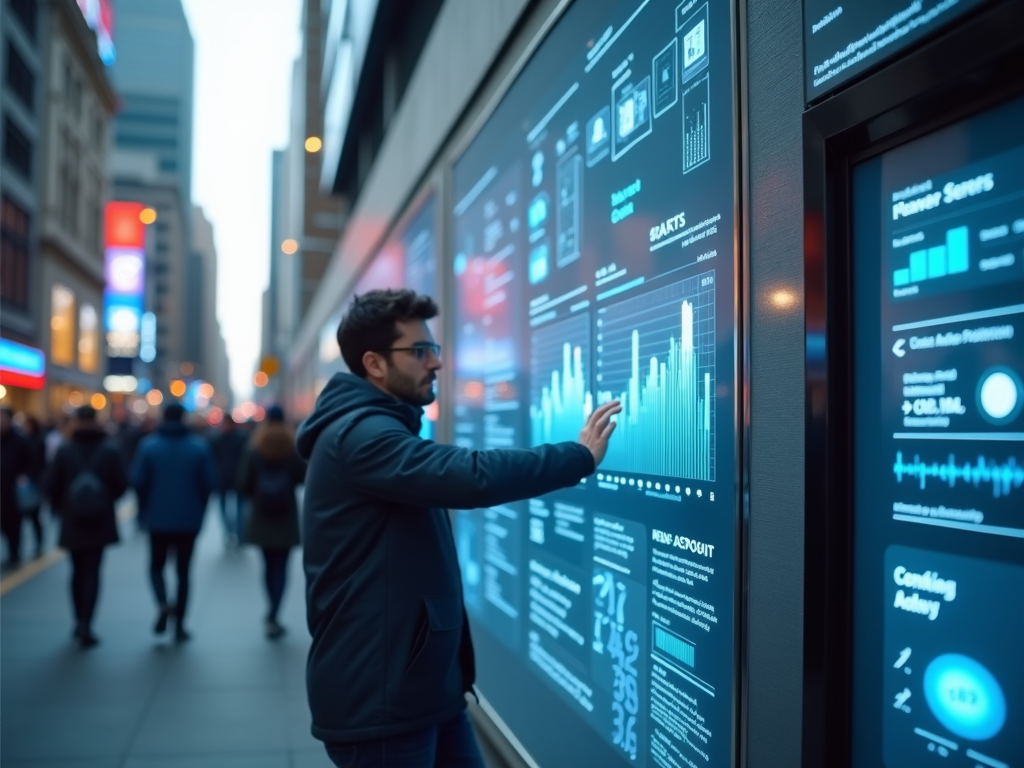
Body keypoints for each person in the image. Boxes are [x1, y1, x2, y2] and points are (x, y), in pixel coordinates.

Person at [296, 289, 621, 768]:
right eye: (420, 351)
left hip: (421, 687)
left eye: (435, 349)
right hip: (380, 701)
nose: (436, 364)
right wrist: (576, 457)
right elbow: (470, 475)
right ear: (375, 364)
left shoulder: (375, 428)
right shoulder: (360, 436)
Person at [132, 402, 217, 642]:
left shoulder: (148, 446)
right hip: (188, 520)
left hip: (157, 519)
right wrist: (199, 512)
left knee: (156, 566)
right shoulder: (198, 447)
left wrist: (143, 513)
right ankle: (180, 624)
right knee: (183, 572)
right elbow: (208, 483)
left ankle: (162, 603)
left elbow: (138, 482)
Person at [45, 405, 128, 647]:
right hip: (100, 519)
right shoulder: (110, 450)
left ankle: (77, 620)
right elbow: (122, 484)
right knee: (93, 570)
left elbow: (50, 485)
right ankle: (87, 623)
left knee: (76, 570)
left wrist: (64, 506)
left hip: (73, 519)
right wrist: (103, 500)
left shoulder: (65, 450)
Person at [237, 404, 306, 638]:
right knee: (282, 566)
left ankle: (270, 611)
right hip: (286, 514)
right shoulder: (292, 445)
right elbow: (303, 477)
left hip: (262, 514)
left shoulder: (255, 446)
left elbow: (244, 483)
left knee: (267, 566)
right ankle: (275, 614)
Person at [209, 413, 249, 547]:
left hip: (237, 478)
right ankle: (230, 532)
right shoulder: (217, 439)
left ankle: (238, 533)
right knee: (226, 508)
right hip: (223, 478)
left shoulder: (237, 439)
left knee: (239, 508)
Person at [1, 407, 32, 569]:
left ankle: (15, 553)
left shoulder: (20, 440)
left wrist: (24, 475)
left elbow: (31, 463)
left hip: (14, 491)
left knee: (14, 524)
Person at [20, 415, 48, 557]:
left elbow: (41, 462)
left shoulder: (38, 441)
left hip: (35, 482)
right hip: (25, 482)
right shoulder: (22, 440)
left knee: (34, 514)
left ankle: (39, 543)